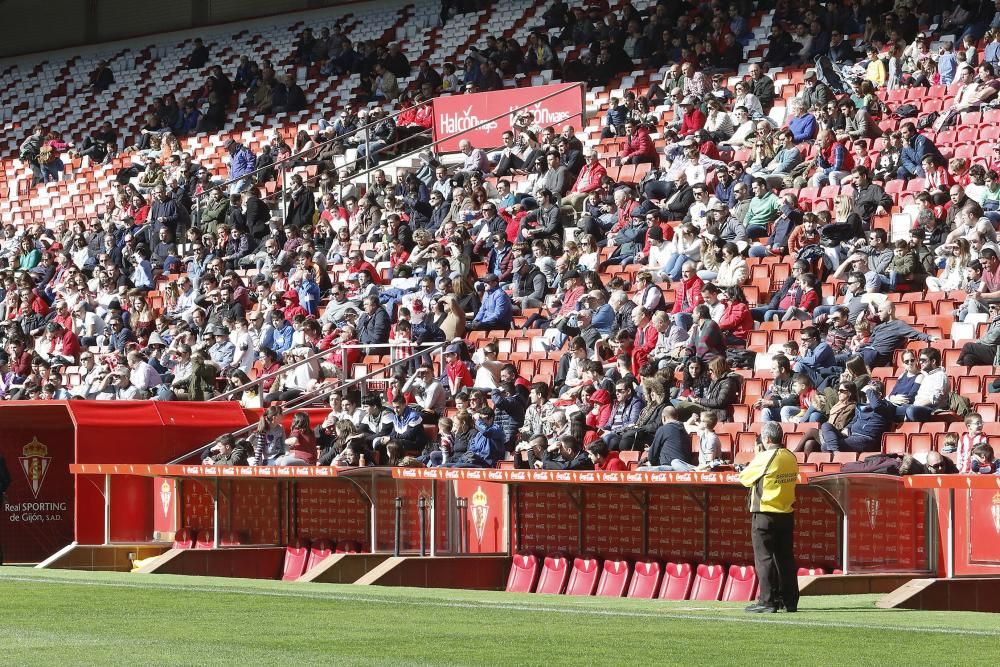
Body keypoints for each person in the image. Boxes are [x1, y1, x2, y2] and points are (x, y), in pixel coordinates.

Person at [738, 421, 799, 613]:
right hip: (786, 513)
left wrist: (758, 456)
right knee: (786, 559)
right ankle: (789, 601)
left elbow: (744, 478)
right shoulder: (791, 456)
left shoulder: (765, 456)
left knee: (764, 559)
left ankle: (767, 601)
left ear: (767, 439)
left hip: (765, 512)